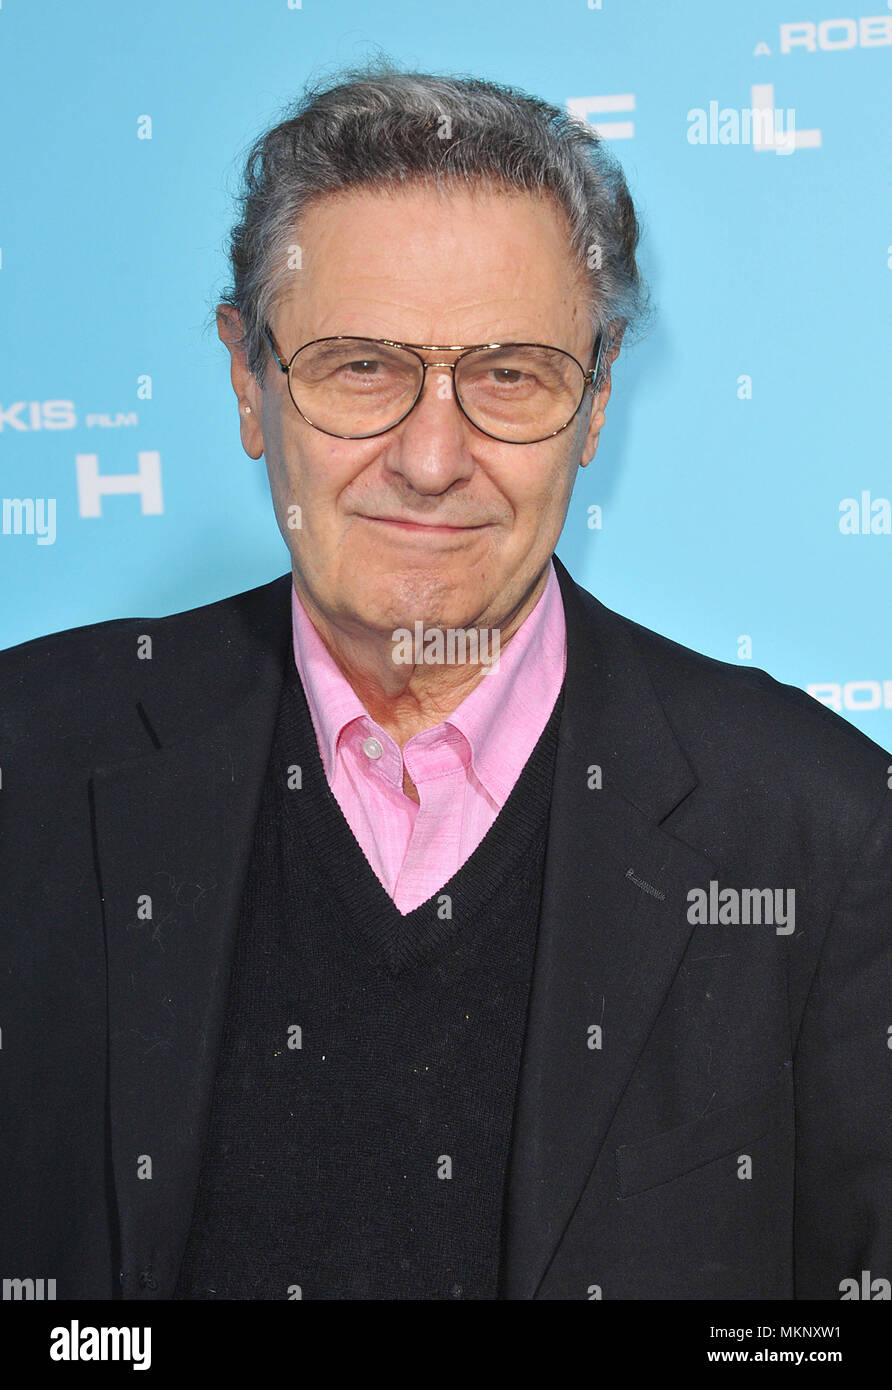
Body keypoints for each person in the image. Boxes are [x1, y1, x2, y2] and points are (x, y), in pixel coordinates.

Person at [1, 64, 889, 1302]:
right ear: (248, 379)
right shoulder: (30, 762)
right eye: (360, 366)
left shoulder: (818, 830)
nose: (430, 457)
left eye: (510, 374)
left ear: (597, 397)